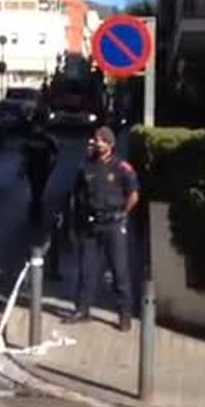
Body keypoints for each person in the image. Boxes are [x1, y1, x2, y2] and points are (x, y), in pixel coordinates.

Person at [66, 125, 140, 331]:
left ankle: (124, 315)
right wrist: (75, 223)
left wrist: (123, 213)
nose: (97, 143)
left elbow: (133, 194)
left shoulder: (121, 167)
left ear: (110, 144)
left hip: (113, 224)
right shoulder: (85, 166)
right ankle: (82, 309)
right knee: (86, 270)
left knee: (119, 270)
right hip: (90, 225)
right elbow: (77, 195)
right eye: (96, 139)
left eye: (101, 140)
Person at [21, 120, 59, 224]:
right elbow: (25, 155)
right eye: (36, 126)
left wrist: (51, 166)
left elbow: (55, 153)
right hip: (32, 169)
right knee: (35, 191)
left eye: (39, 126)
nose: (37, 129)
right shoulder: (30, 139)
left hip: (43, 169)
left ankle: (35, 212)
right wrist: (22, 169)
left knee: (39, 191)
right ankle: (34, 212)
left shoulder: (48, 139)